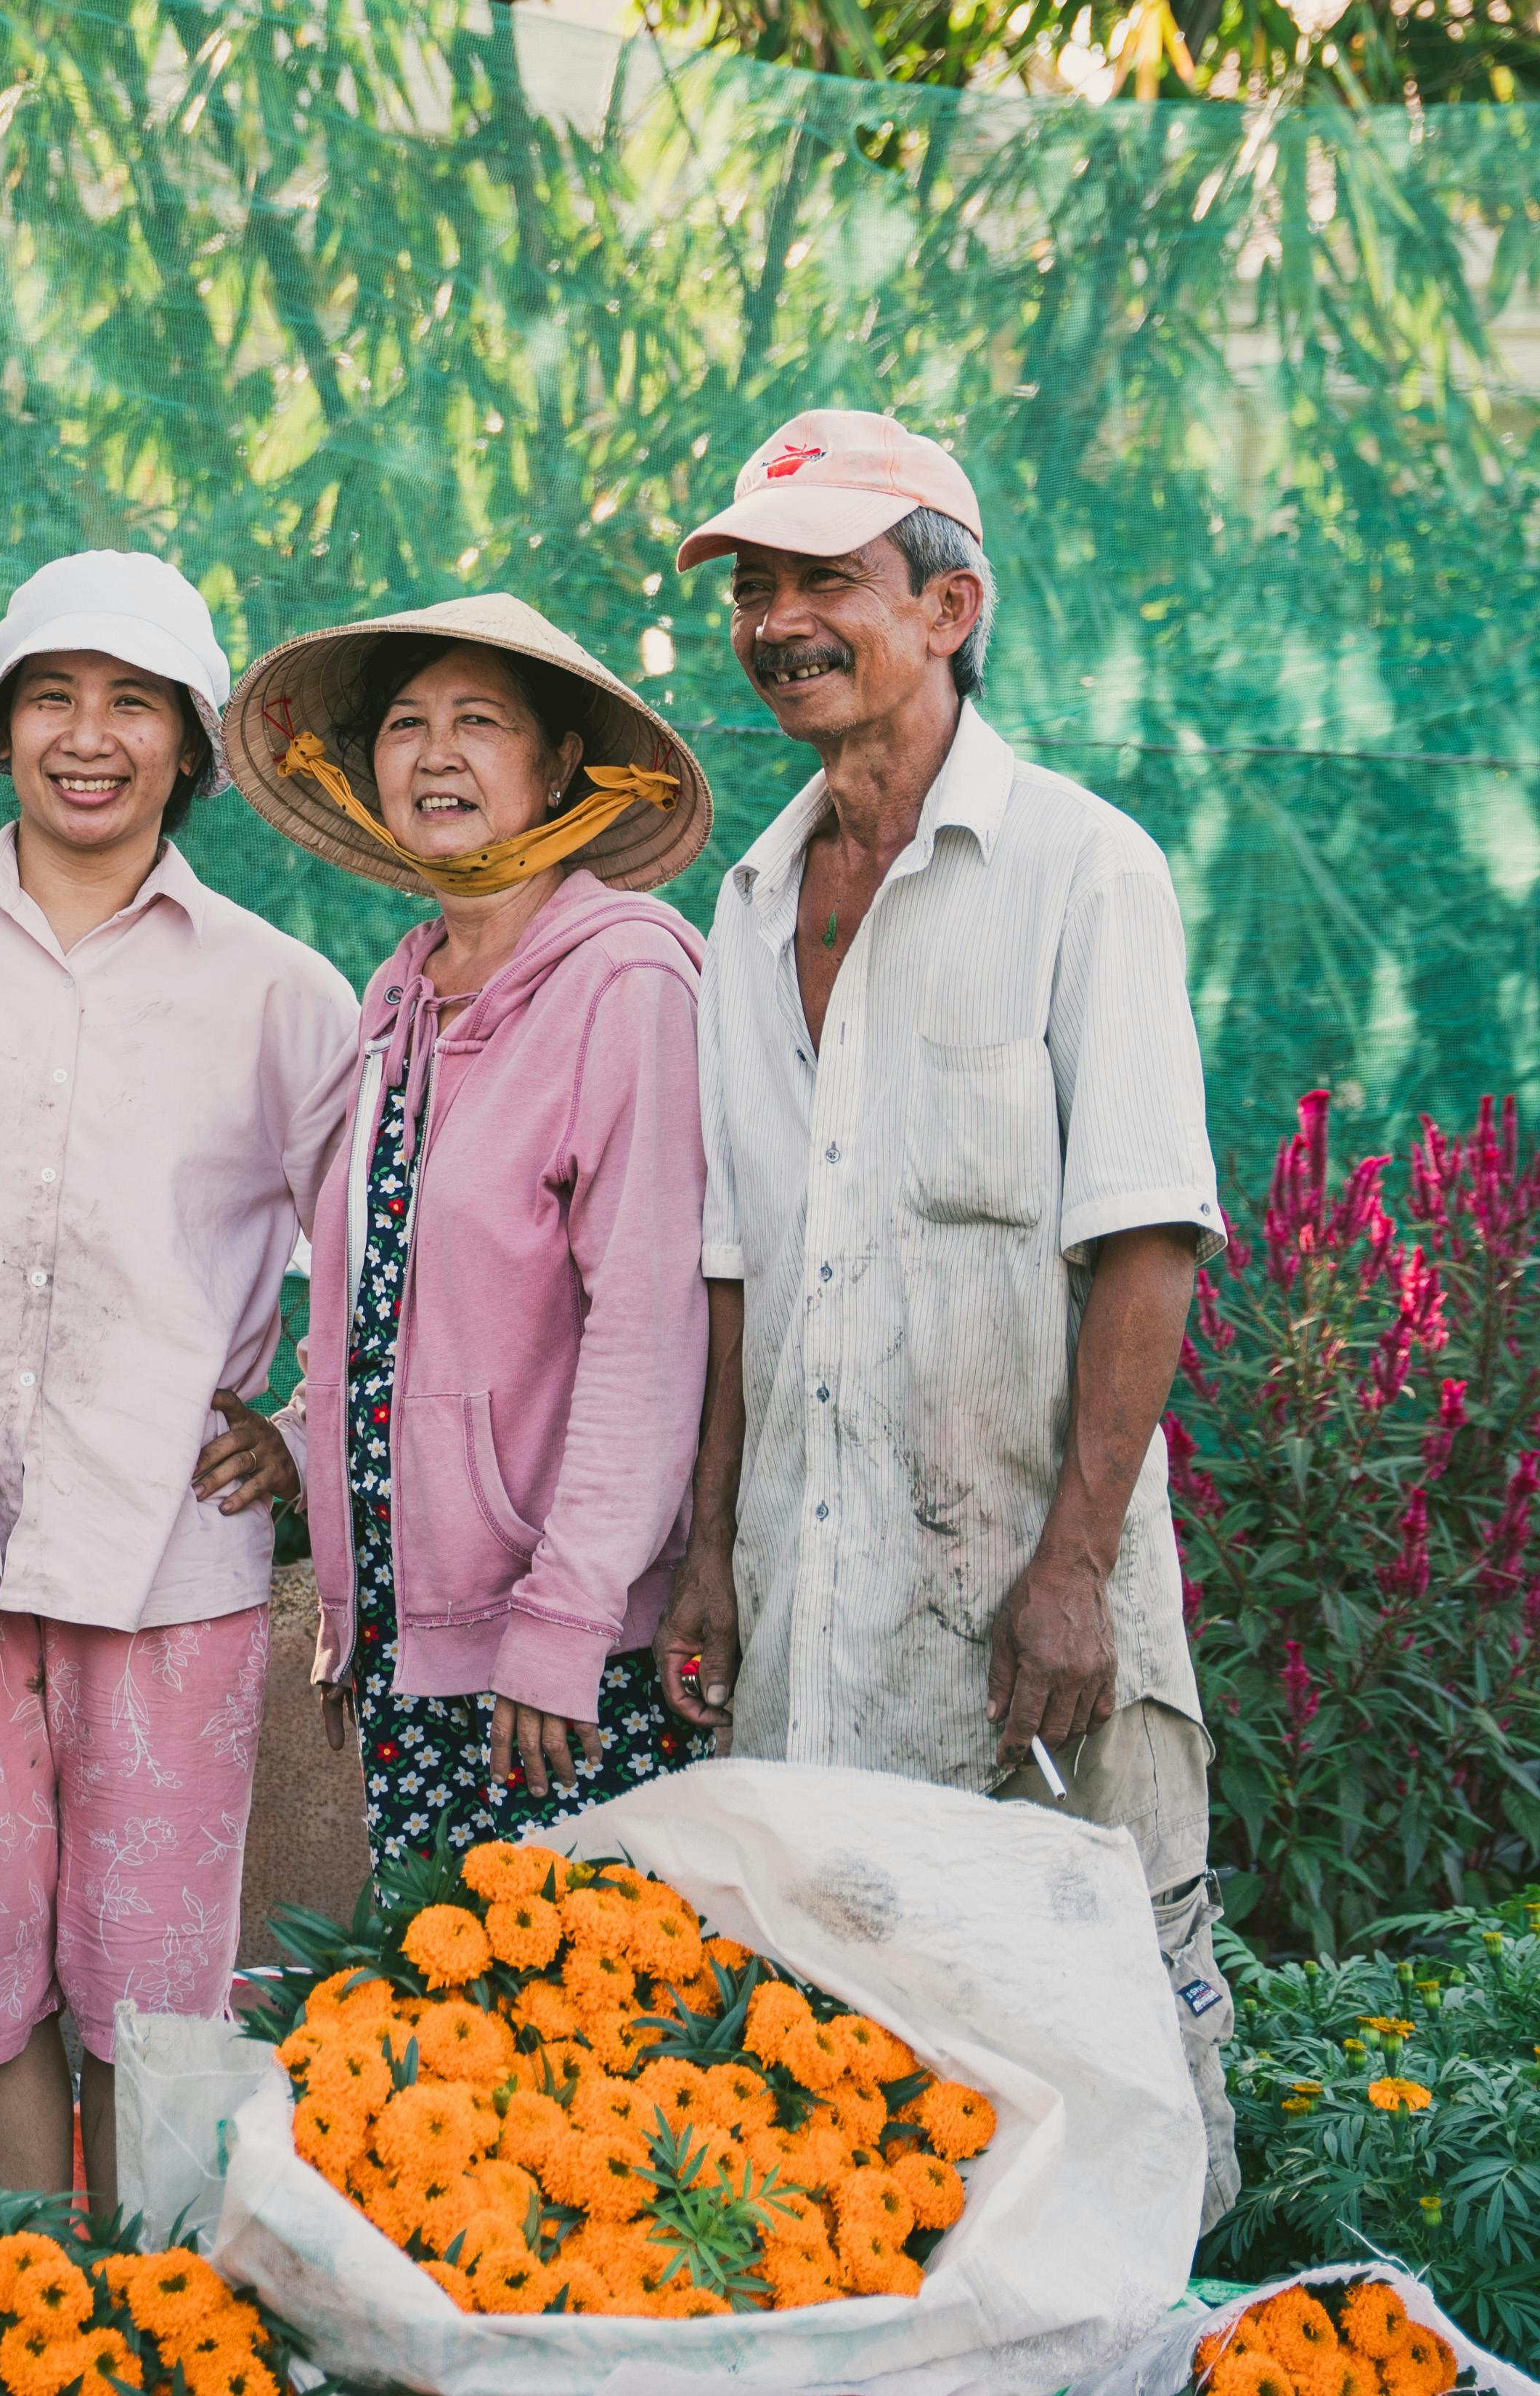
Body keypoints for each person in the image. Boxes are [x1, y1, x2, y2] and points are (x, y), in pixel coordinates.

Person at [654, 403, 1238, 2205]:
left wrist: (1070, 1569)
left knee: (1090, 2080)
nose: (774, 620)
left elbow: (1143, 1243)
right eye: (752, 587)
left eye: (822, 579)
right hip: (808, 1598)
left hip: (1022, 1604)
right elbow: (740, 1266)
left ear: (948, 603)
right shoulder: (744, 906)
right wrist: (703, 1557)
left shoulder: (1082, 870)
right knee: (833, 2097)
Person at [0, 549, 359, 2216]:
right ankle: (13, 2337)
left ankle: (140, 2366)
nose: (87, 736)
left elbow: (372, 1249)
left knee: (150, 1988)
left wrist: (303, 1426)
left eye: (132, 703)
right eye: (52, 694)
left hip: (167, 1564)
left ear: (188, 745)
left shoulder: (280, 992)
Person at [205, 594, 712, 1882]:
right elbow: (394, 1293)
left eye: (480, 722)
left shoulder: (629, 981)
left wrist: (566, 1625)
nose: (435, 754)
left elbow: (651, 1335)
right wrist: (310, 1444)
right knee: (448, 2055)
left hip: (557, 1661)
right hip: (413, 1649)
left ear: (556, 771)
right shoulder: (402, 990)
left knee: (582, 2046)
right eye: (406, 725)